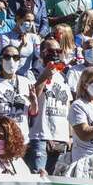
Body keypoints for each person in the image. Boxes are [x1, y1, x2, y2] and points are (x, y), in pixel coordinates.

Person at [25, 38, 72, 174]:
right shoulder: (33, 72)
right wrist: (45, 75)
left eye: (59, 51)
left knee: (55, 180)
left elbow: (68, 106)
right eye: (51, 51)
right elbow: (32, 97)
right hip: (40, 135)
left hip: (61, 137)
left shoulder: (63, 76)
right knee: (38, 177)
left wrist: (69, 136)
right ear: (41, 53)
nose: (56, 54)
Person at [1, 9, 41, 76]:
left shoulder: (34, 37)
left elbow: (39, 57)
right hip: (9, 75)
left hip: (27, 75)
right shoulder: (5, 37)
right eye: (27, 20)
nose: (30, 23)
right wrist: (21, 46)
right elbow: (5, 58)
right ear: (18, 18)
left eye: (32, 21)